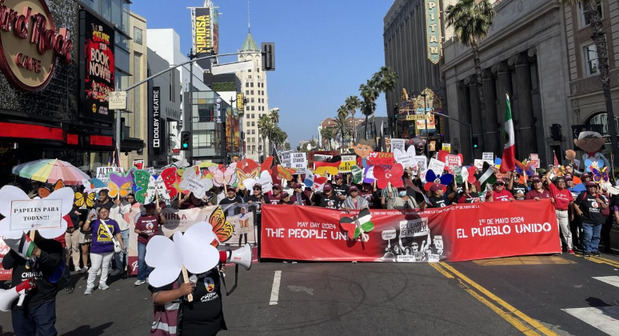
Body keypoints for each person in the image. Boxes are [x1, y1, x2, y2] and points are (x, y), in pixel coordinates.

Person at [2, 233, 64, 336]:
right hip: (20, 301)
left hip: (43, 299)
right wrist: (18, 247)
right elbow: (6, 264)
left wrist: (37, 251)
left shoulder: (53, 244)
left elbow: (54, 262)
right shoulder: (19, 244)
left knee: (47, 333)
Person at [150, 267, 227, 335]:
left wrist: (218, 271)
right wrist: (180, 292)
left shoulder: (208, 262)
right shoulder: (170, 267)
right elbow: (157, 297)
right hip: (191, 328)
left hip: (213, 325)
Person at [82, 207, 125, 294]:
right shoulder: (95, 222)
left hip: (109, 249)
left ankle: (102, 282)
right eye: (101, 212)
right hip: (96, 249)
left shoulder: (113, 222)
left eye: (106, 211)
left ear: (108, 212)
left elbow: (118, 234)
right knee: (95, 268)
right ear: (99, 214)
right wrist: (89, 219)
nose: (104, 213)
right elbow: (85, 229)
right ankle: (89, 286)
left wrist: (122, 245)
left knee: (105, 266)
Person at [573, 181, 609, 256]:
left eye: (594, 187)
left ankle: (594, 249)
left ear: (596, 188)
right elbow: (575, 204)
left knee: (596, 236)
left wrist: (601, 202)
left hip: (598, 220)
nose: (592, 188)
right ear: (587, 188)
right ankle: (587, 250)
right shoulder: (583, 195)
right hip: (587, 220)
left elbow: (605, 207)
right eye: (590, 187)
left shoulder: (600, 197)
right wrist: (578, 210)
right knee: (588, 236)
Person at [134, 202, 164, 286]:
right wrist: (141, 232)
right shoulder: (141, 218)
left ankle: (148, 276)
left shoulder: (156, 216)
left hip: (153, 242)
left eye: (150, 208)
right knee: (141, 259)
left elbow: (164, 222)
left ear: (153, 209)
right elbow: (136, 230)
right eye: (146, 208)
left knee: (150, 259)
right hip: (142, 241)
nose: (148, 209)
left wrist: (160, 213)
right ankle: (140, 278)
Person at [546, 176, 575, 254]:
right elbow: (547, 177)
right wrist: (552, 169)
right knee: (556, 231)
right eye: (560, 182)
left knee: (566, 231)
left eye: (563, 182)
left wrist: (572, 213)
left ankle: (570, 248)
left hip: (564, 212)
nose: (562, 183)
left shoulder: (567, 192)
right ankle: (559, 248)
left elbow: (571, 203)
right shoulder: (554, 189)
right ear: (556, 184)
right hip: (555, 212)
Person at [109, 194, 131, 277]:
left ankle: (127, 268)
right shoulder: (112, 208)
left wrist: (120, 205)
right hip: (117, 231)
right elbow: (111, 220)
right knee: (118, 251)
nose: (117, 199)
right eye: (115, 198)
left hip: (126, 229)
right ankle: (119, 268)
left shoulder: (127, 205)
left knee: (127, 250)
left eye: (118, 198)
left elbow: (125, 213)